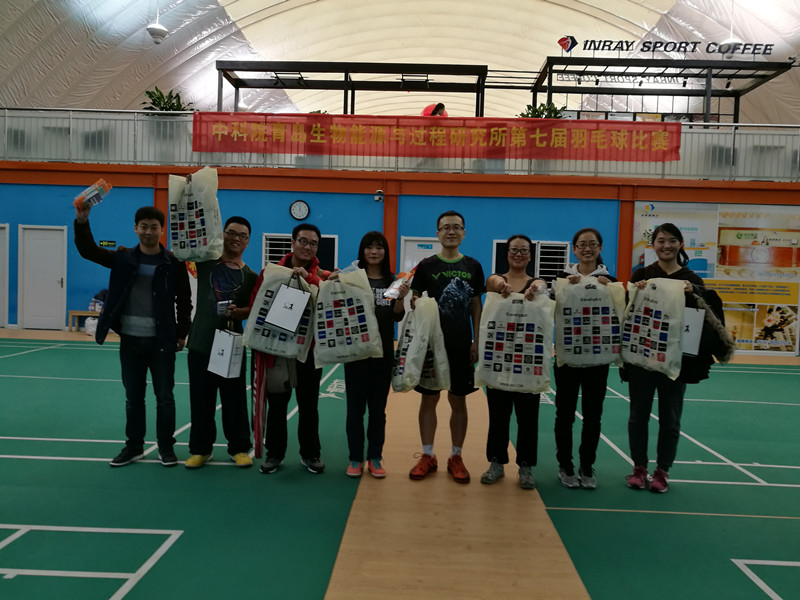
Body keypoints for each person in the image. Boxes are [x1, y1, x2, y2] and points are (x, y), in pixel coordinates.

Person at [74, 203, 191, 467]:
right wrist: (82, 221)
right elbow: (88, 251)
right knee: (134, 398)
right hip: (130, 341)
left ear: (162, 230)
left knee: (165, 398)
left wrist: (182, 332)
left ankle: (166, 448)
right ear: (135, 228)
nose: (148, 231)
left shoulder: (173, 262)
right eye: (144, 226)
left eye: (154, 227)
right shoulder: (123, 258)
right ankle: (134, 447)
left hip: (162, 342)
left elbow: (184, 299)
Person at [624, 223, 704, 493]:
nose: (666, 245)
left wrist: (694, 293)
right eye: (661, 240)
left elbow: (706, 311)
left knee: (670, 418)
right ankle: (639, 468)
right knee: (638, 416)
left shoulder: (691, 279)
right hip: (642, 358)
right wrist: (634, 290)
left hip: (675, 362)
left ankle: (662, 471)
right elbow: (627, 308)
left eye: (671, 240)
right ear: (653, 245)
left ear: (681, 244)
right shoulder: (643, 274)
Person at [408, 210, 485, 484]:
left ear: (464, 232)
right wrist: (414, 302)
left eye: (456, 227)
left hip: (461, 344)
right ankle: (428, 455)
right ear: (437, 233)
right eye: (445, 227)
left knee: (458, 399)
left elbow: (476, 305)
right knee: (429, 399)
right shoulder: (425, 266)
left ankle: (456, 456)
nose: (451, 231)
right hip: (431, 344)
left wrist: (476, 340)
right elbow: (415, 299)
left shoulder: (473, 266)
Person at [254, 223, 332, 475]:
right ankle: (274, 454)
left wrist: (309, 278)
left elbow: (328, 300)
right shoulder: (272, 272)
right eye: (303, 241)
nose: (308, 247)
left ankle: (310, 454)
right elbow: (257, 302)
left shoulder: (323, 276)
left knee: (308, 405)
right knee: (277, 405)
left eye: (313, 243)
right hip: (278, 351)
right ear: (293, 243)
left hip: (309, 351)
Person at [184, 216, 258, 469]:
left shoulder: (250, 276)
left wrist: (240, 313)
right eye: (231, 233)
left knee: (234, 400)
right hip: (201, 343)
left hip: (232, 346)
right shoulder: (206, 263)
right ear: (223, 234)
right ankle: (201, 450)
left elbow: (254, 309)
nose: (236, 238)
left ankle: (239, 448)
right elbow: (186, 247)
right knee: (200, 400)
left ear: (248, 242)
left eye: (242, 235)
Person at [336, 232, 409, 478]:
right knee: (355, 410)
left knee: (378, 410)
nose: (374, 251)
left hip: (383, 354)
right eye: (369, 247)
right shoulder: (353, 279)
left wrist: (401, 299)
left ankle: (375, 457)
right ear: (362, 251)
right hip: (356, 354)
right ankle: (355, 458)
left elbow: (396, 316)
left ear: (385, 252)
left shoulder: (392, 281)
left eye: (379, 247)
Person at [479, 235, 546, 490]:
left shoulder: (535, 282)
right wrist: (502, 285)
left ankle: (526, 466)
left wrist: (535, 288)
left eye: (524, 250)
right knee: (498, 416)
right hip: (499, 358)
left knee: (528, 418)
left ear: (530, 255)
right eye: (514, 249)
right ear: (507, 253)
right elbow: (492, 281)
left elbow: (541, 285)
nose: (518, 254)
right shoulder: (496, 281)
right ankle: (496, 462)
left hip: (527, 361)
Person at [552, 228, 617, 490]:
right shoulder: (562, 279)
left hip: (597, 362)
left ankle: (587, 466)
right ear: (574, 249)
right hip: (567, 360)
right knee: (564, 415)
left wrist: (611, 291)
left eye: (592, 244)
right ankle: (565, 465)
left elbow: (620, 311)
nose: (587, 249)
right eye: (581, 244)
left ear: (600, 247)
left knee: (593, 416)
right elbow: (546, 308)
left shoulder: (610, 281)